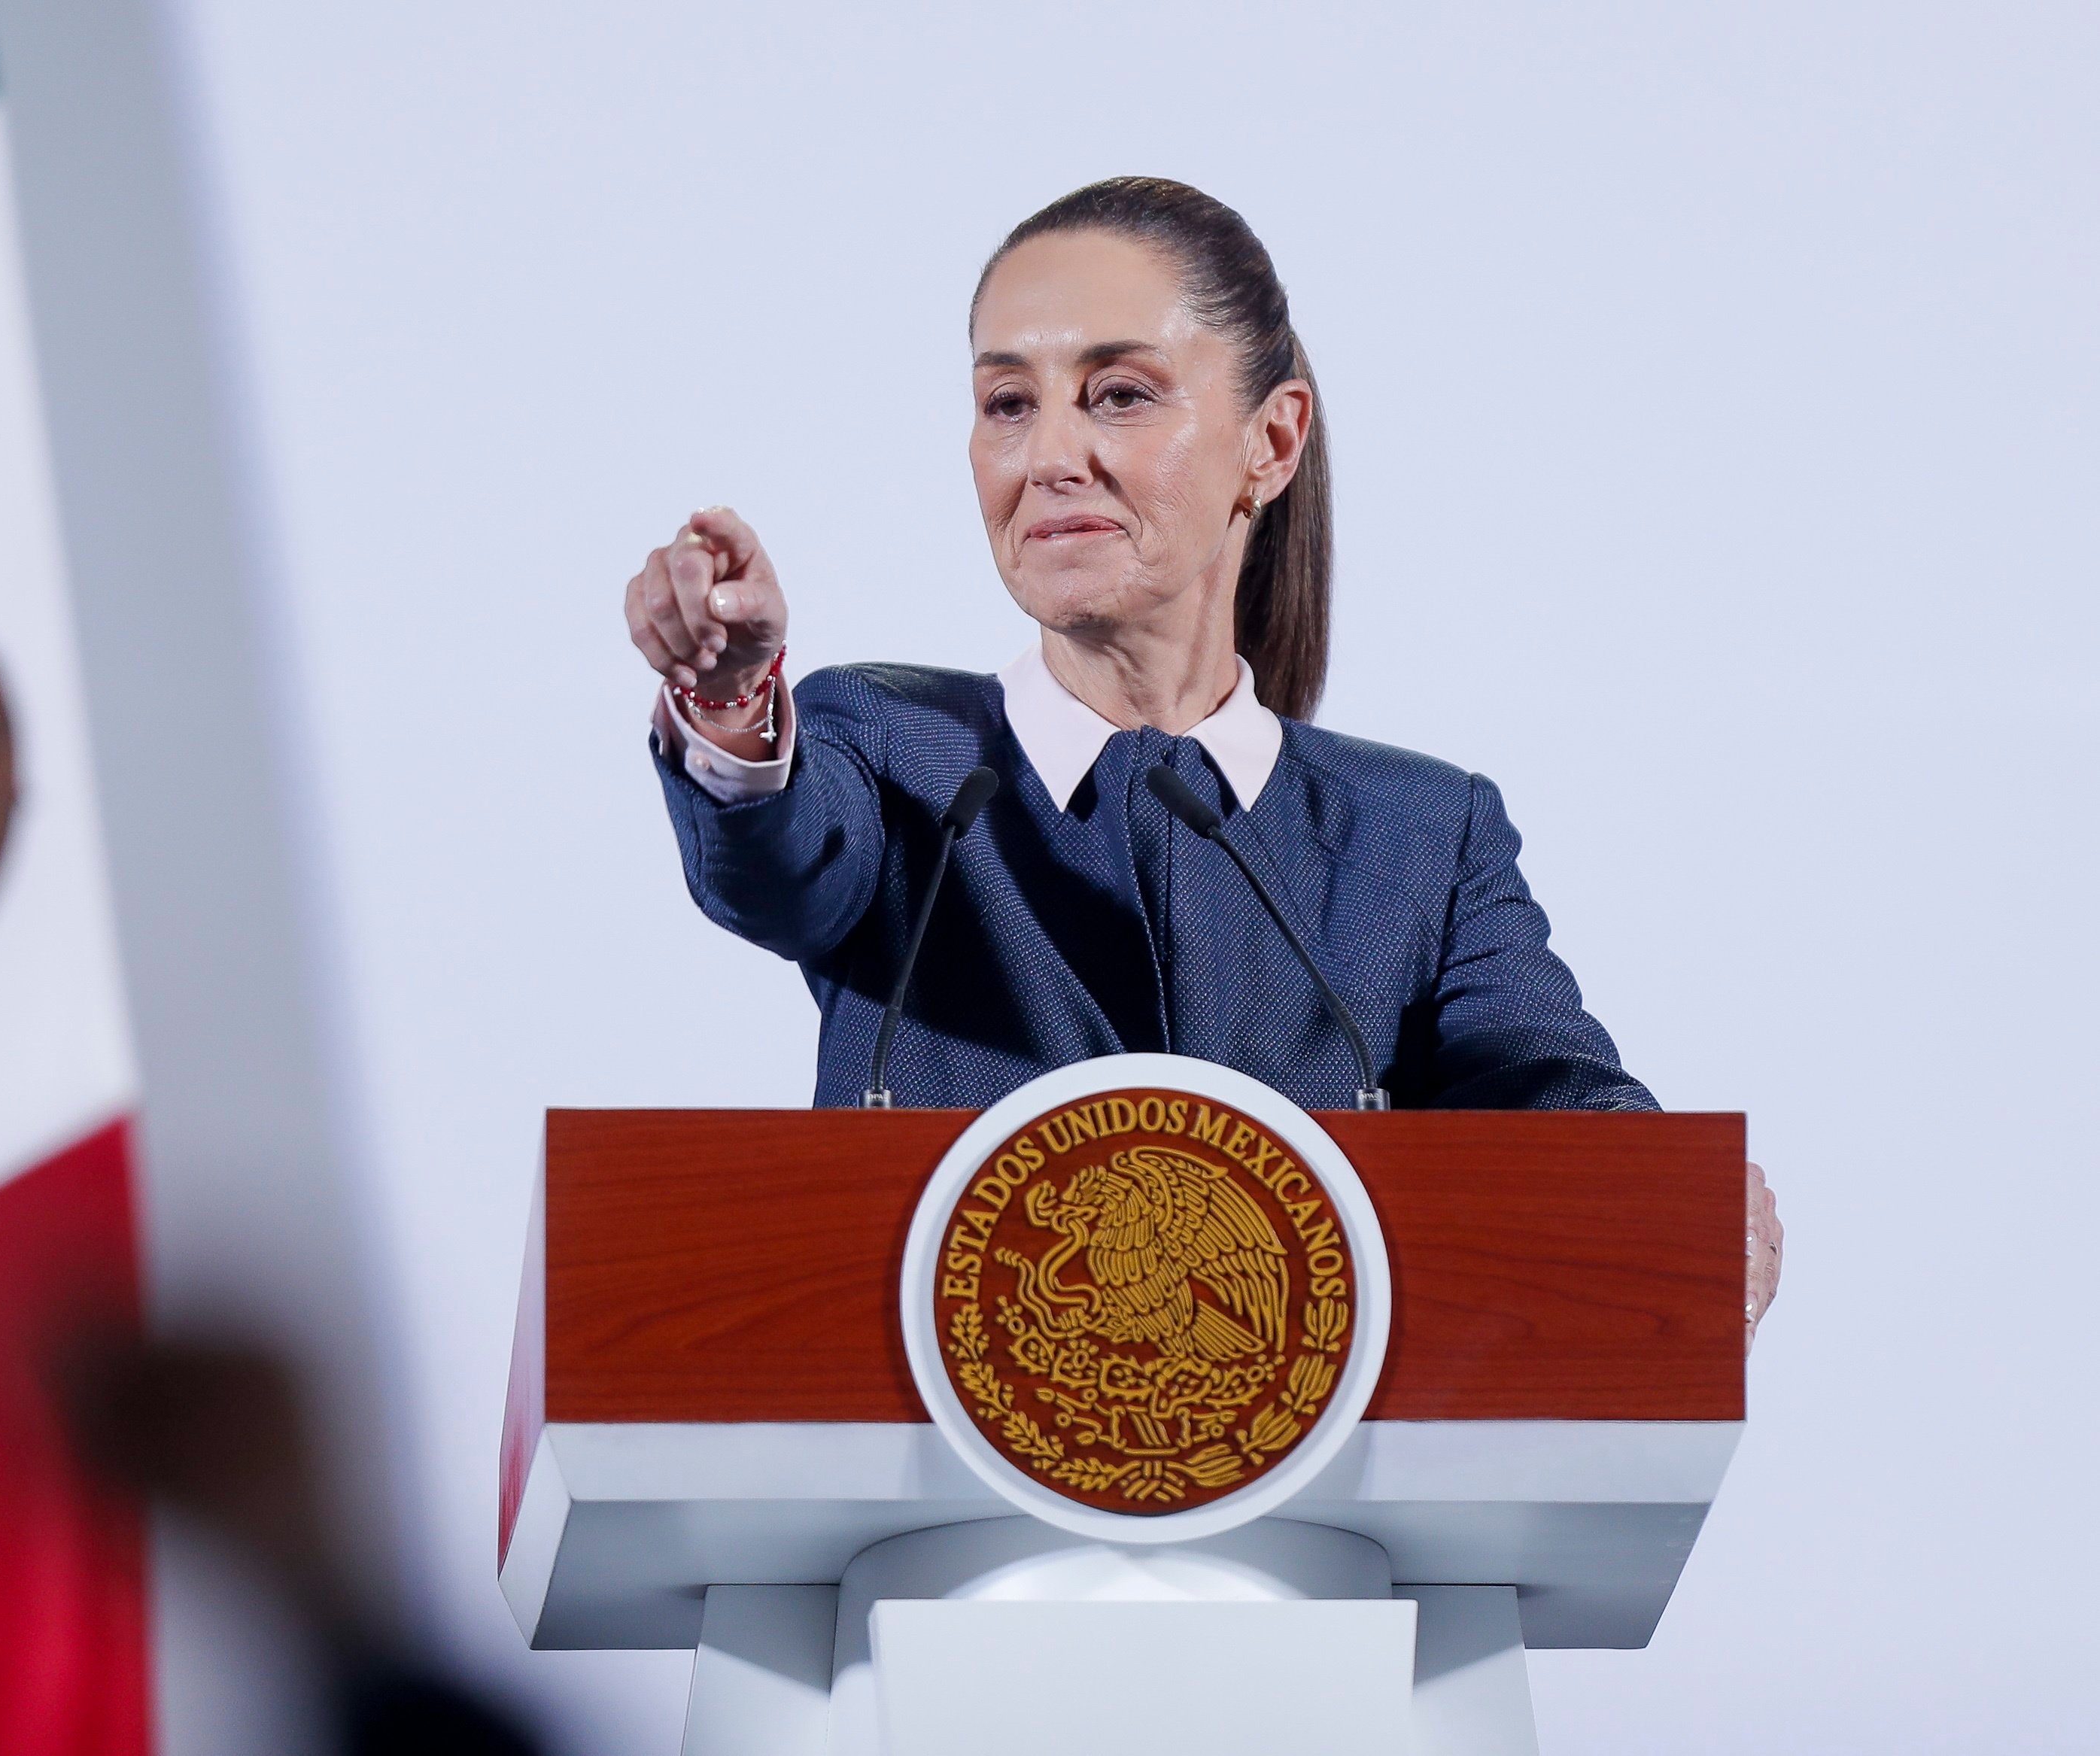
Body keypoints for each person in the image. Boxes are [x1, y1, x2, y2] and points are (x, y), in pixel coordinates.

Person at [624, 176, 1780, 1338]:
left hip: (1302, 1513)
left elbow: (1544, 1089)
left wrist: (1667, 1192)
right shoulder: (891, 751)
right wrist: (729, 700)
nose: (1051, 456)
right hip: (959, 1510)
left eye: (1119, 394)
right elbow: (777, 858)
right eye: (1008, 403)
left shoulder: (1419, 838)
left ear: (1271, 441)